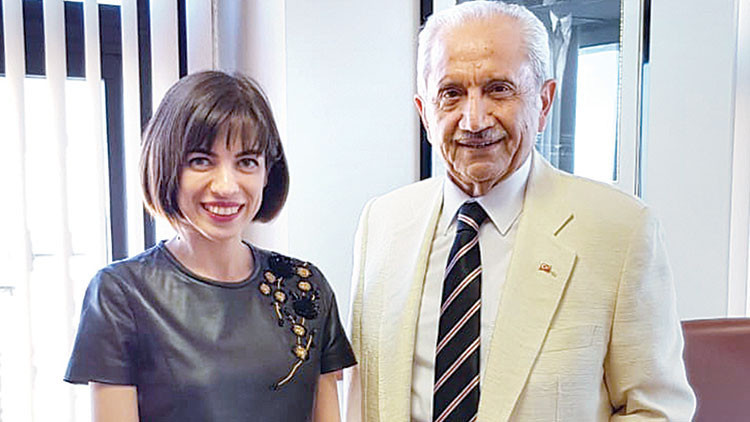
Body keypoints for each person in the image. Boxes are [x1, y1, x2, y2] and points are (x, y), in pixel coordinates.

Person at [344, 1, 695, 421]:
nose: (474, 120)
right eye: (452, 93)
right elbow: (362, 399)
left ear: (544, 103)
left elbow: (657, 410)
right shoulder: (382, 224)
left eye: (499, 89)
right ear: (425, 113)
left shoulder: (620, 231)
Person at [65, 71, 356, 421]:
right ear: (166, 165)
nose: (226, 186)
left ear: (267, 173)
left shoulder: (304, 287)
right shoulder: (121, 293)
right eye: (201, 161)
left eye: (246, 162)